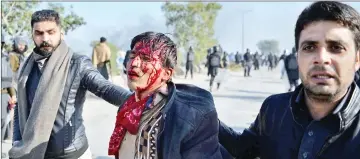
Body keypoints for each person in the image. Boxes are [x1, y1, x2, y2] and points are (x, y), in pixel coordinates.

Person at [219, 1, 360, 159]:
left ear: (357, 60)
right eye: (309, 47)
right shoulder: (274, 109)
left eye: (336, 47)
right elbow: (242, 150)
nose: (321, 58)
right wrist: (204, 116)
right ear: (298, 57)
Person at [9, 10, 131, 159]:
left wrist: (141, 100)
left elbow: (105, 88)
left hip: (71, 153)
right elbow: (20, 109)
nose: (45, 38)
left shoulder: (77, 63)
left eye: (51, 32)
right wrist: (16, 141)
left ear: (61, 33)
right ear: (33, 35)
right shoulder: (26, 68)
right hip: (33, 153)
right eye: (39, 33)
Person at [108, 31, 223, 159]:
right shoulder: (127, 106)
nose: (134, 63)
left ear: (166, 74)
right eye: (133, 55)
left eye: (146, 59)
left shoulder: (189, 115)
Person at [1, 35, 17, 143]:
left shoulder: (4, 59)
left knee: (2, 120)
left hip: (2, 94)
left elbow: (8, 80)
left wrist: (13, 95)